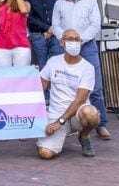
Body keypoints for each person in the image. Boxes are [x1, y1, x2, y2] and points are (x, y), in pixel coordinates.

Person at [51, 0, 112, 140]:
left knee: (96, 87)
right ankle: (67, 122)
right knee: (65, 85)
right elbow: (55, 25)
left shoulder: (90, 2)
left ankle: (101, 125)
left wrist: (80, 40)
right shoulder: (59, 4)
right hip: (66, 48)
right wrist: (66, 40)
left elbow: (95, 24)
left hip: (87, 47)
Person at [36, 29, 101, 159]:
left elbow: (80, 100)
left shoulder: (87, 68)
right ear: (62, 43)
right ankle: (58, 136)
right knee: (45, 153)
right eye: (70, 39)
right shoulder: (53, 61)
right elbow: (40, 87)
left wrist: (59, 122)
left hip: (77, 115)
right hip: (56, 113)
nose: (74, 42)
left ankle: (84, 136)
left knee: (91, 114)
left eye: (77, 40)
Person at [24, 0, 62, 71]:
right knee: (42, 65)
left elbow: (58, 14)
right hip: (38, 35)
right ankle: (43, 82)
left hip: (54, 34)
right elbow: (29, 18)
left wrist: (51, 29)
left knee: (57, 63)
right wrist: (46, 28)